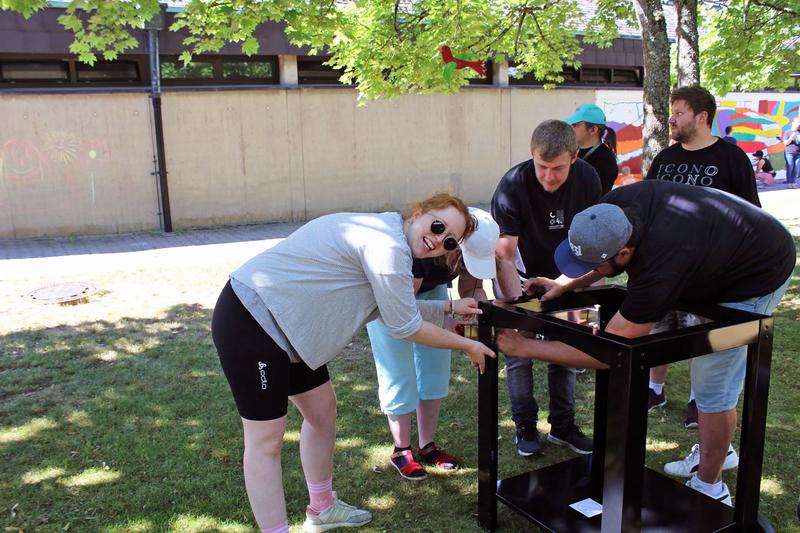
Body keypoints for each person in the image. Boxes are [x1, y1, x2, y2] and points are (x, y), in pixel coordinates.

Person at [211, 193, 497, 533]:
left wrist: (450, 309)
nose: (437, 240)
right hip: (253, 318)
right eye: (437, 226)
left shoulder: (392, 242)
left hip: (292, 329)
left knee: (322, 412)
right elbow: (405, 327)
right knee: (266, 439)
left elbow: (392, 311)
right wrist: (467, 345)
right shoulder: (386, 246)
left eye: (448, 240)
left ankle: (322, 508)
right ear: (419, 212)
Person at [499, 180, 794, 505]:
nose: (586, 269)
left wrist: (524, 347)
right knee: (699, 362)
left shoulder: (660, 267)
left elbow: (610, 350)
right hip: (711, 249)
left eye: (591, 264)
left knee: (713, 383)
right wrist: (564, 283)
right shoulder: (611, 209)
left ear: (625, 253)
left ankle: (711, 485)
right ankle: (718, 451)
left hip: (757, 271)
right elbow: (604, 260)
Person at [645, 85, 760, 427]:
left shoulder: (731, 158)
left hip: (711, 270)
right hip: (664, 266)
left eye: (679, 113)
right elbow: (650, 204)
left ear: (702, 116)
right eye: (671, 113)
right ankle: (654, 389)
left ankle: (698, 400)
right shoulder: (666, 158)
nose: (672, 120)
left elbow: (750, 215)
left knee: (700, 335)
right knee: (658, 330)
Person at [492, 119, 601, 457]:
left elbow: (592, 241)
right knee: (518, 354)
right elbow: (505, 251)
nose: (549, 176)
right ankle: (525, 426)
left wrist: (566, 283)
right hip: (520, 277)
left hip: (567, 278)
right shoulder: (512, 184)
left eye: (558, 168)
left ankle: (563, 426)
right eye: (542, 167)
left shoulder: (588, 178)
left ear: (575, 156)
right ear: (531, 155)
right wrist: (511, 299)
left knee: (567, 350)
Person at [366, 207, 499, 480]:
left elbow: (471, 286)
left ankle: (427, 445)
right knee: (398, 371)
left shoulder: (468, 243)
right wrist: (448, 318)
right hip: (391, 300)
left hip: (434, 293)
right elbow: (406, 314)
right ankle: (401, 449)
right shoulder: (421, 250)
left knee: (435, 370)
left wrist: (470, 321)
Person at [565, 103, 619, 195]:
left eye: (576, 125)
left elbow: (593, 194)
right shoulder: (571, 151)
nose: (571, 128)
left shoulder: (605, 159)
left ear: (593, 130)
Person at [783, 116, 800, 189]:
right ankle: (789, 182)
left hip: (798, 153)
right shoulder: (787, 132)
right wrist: (791, 137)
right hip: (789, 153)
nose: (799, 124)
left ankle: (793, 182)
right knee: (790, 167)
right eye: (798, 122)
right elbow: (785, 143)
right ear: (793, 123)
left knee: (796, 168)